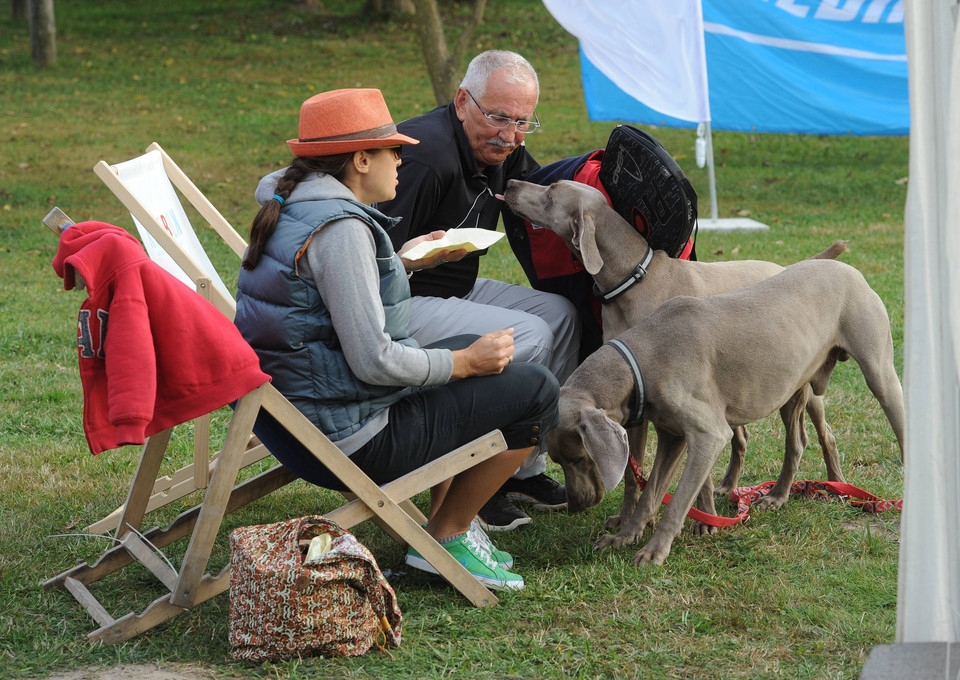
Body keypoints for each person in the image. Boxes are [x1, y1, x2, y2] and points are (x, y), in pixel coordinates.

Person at [233, 88, 560, 591]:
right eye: (395, 152)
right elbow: (374, 361)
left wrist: (403, 262)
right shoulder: (341, 230)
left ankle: (452, 524)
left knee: (475, 349)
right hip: (352, 440)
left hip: (299, 425)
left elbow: (321, 308)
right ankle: (446, 534)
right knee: (536, 389)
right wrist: (464, 364)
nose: (402, 163)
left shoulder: (295, 207)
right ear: (361, 159)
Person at [376, 50, 577, 531]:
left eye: (523, 122)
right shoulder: (425, 157)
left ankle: (521, 470)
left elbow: (541, 188)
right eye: (498, 117)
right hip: (396, 303)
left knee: (563, 315)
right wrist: (415, 255)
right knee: (527, 334)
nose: (509, 136)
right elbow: (368, 258)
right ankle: (475, 485)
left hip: (454, 289)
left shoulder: (500, 148)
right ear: (463, 100)